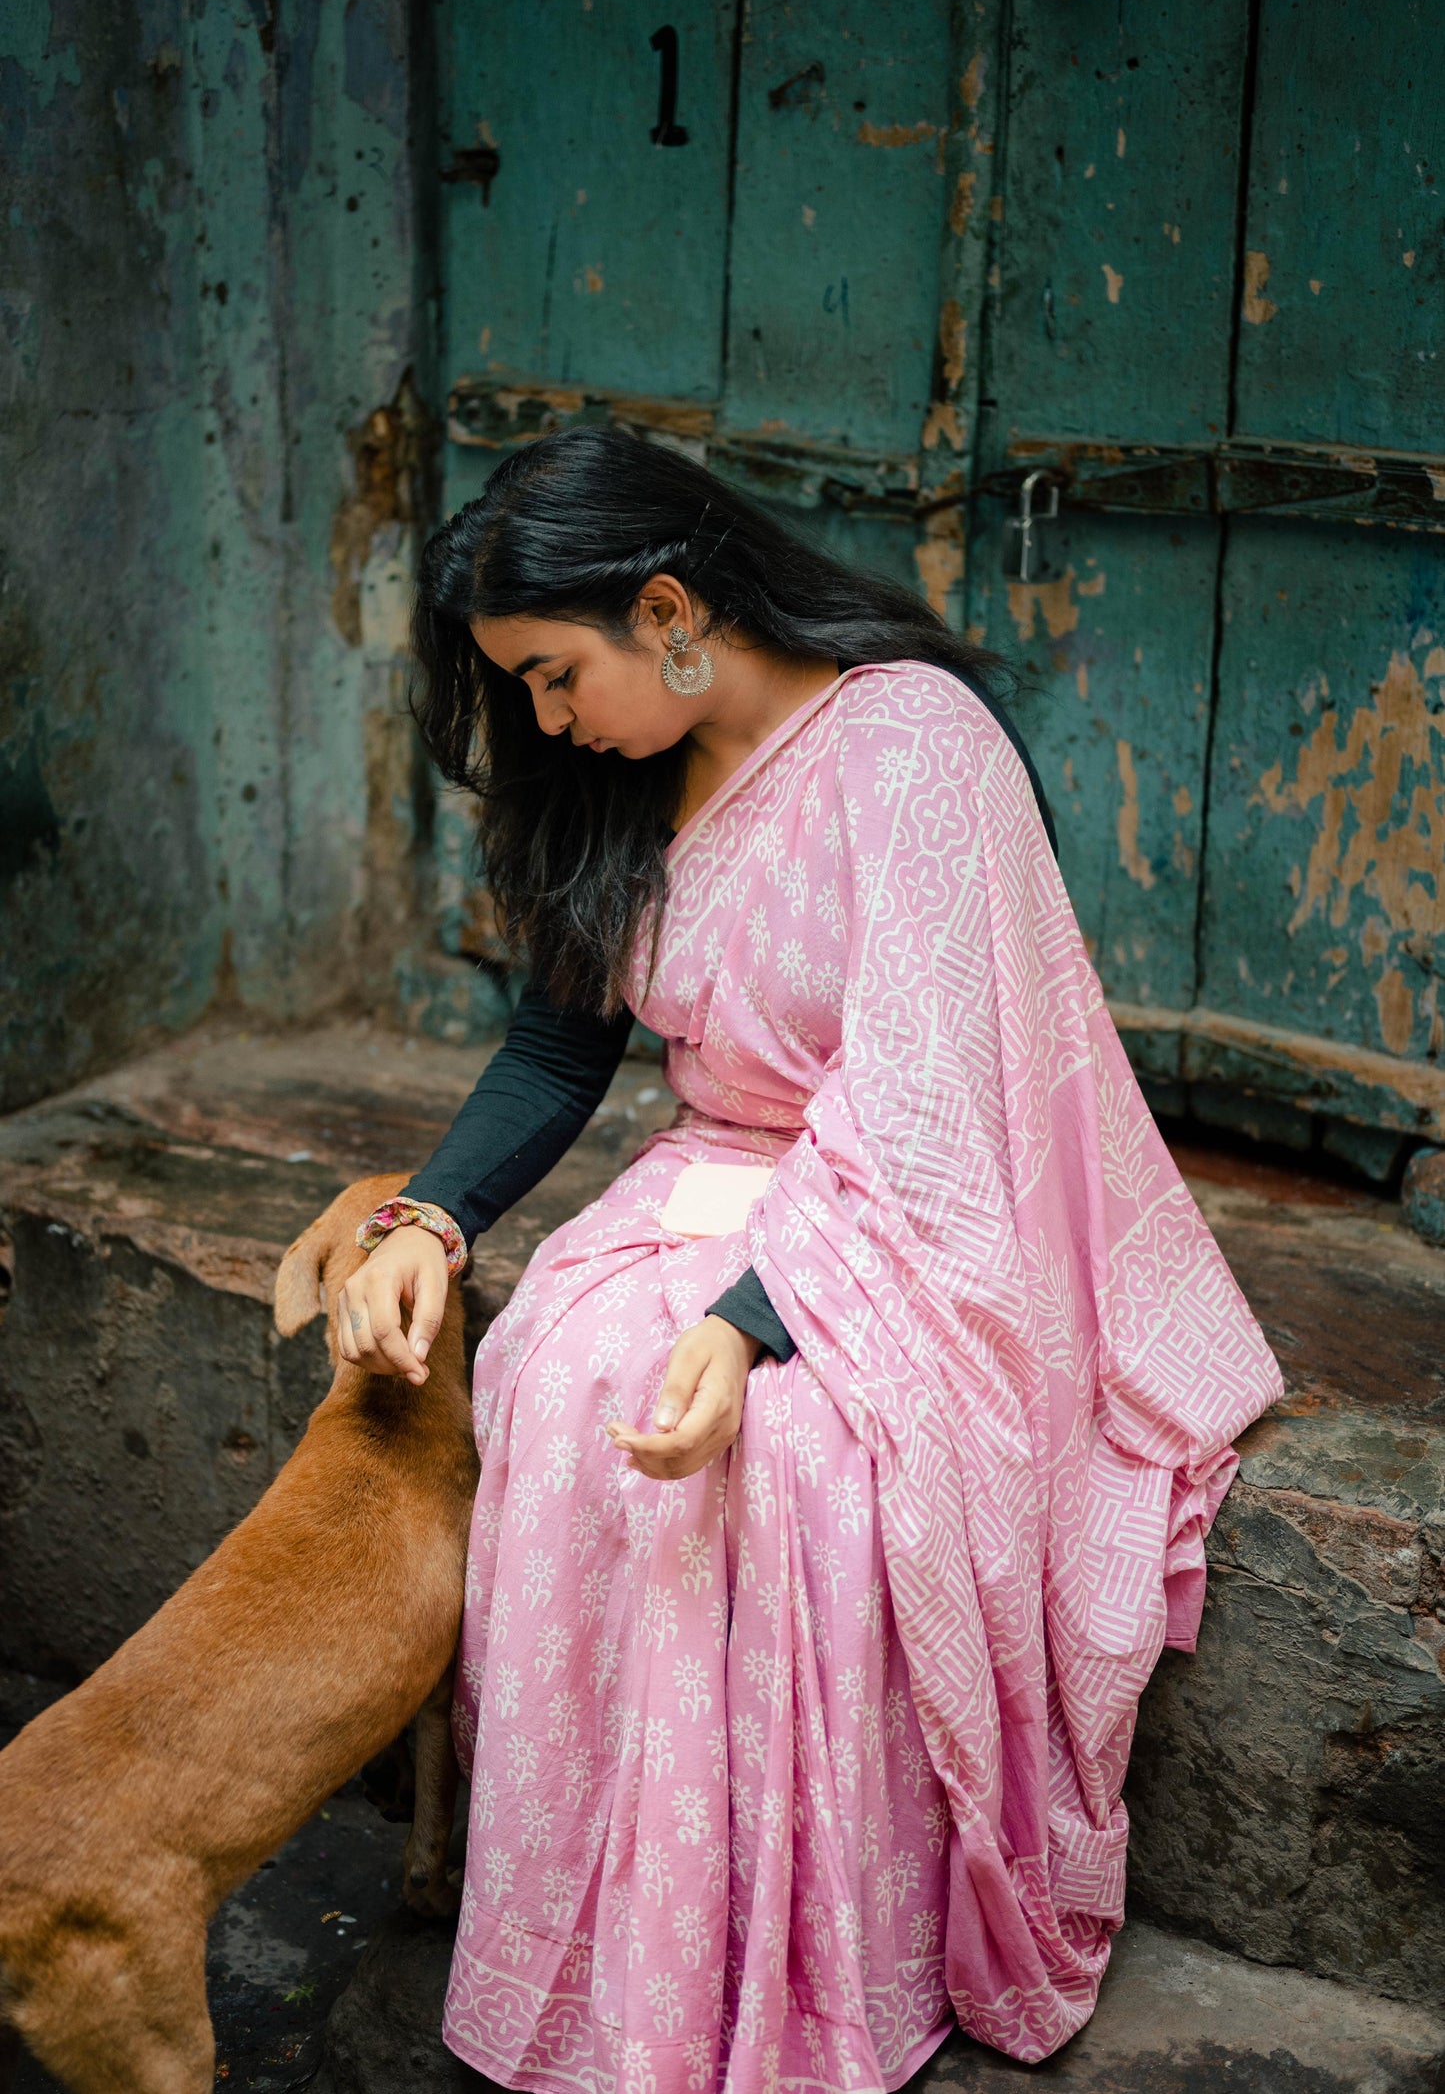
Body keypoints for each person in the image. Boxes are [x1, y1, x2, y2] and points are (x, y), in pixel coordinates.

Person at [338, 426, 1282, 2092]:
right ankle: (626, 1942)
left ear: (670, 607)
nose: (547, 721)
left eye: (557, 676)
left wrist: (761, 1319)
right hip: (724, 1174)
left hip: (935, 1200)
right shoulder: (617, 775)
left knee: (791, 1465)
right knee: (557, 1378)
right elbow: (559, 1057)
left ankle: (807, 1958)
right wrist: (427, 1218)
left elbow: (925, 1100)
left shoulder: (914, 747)